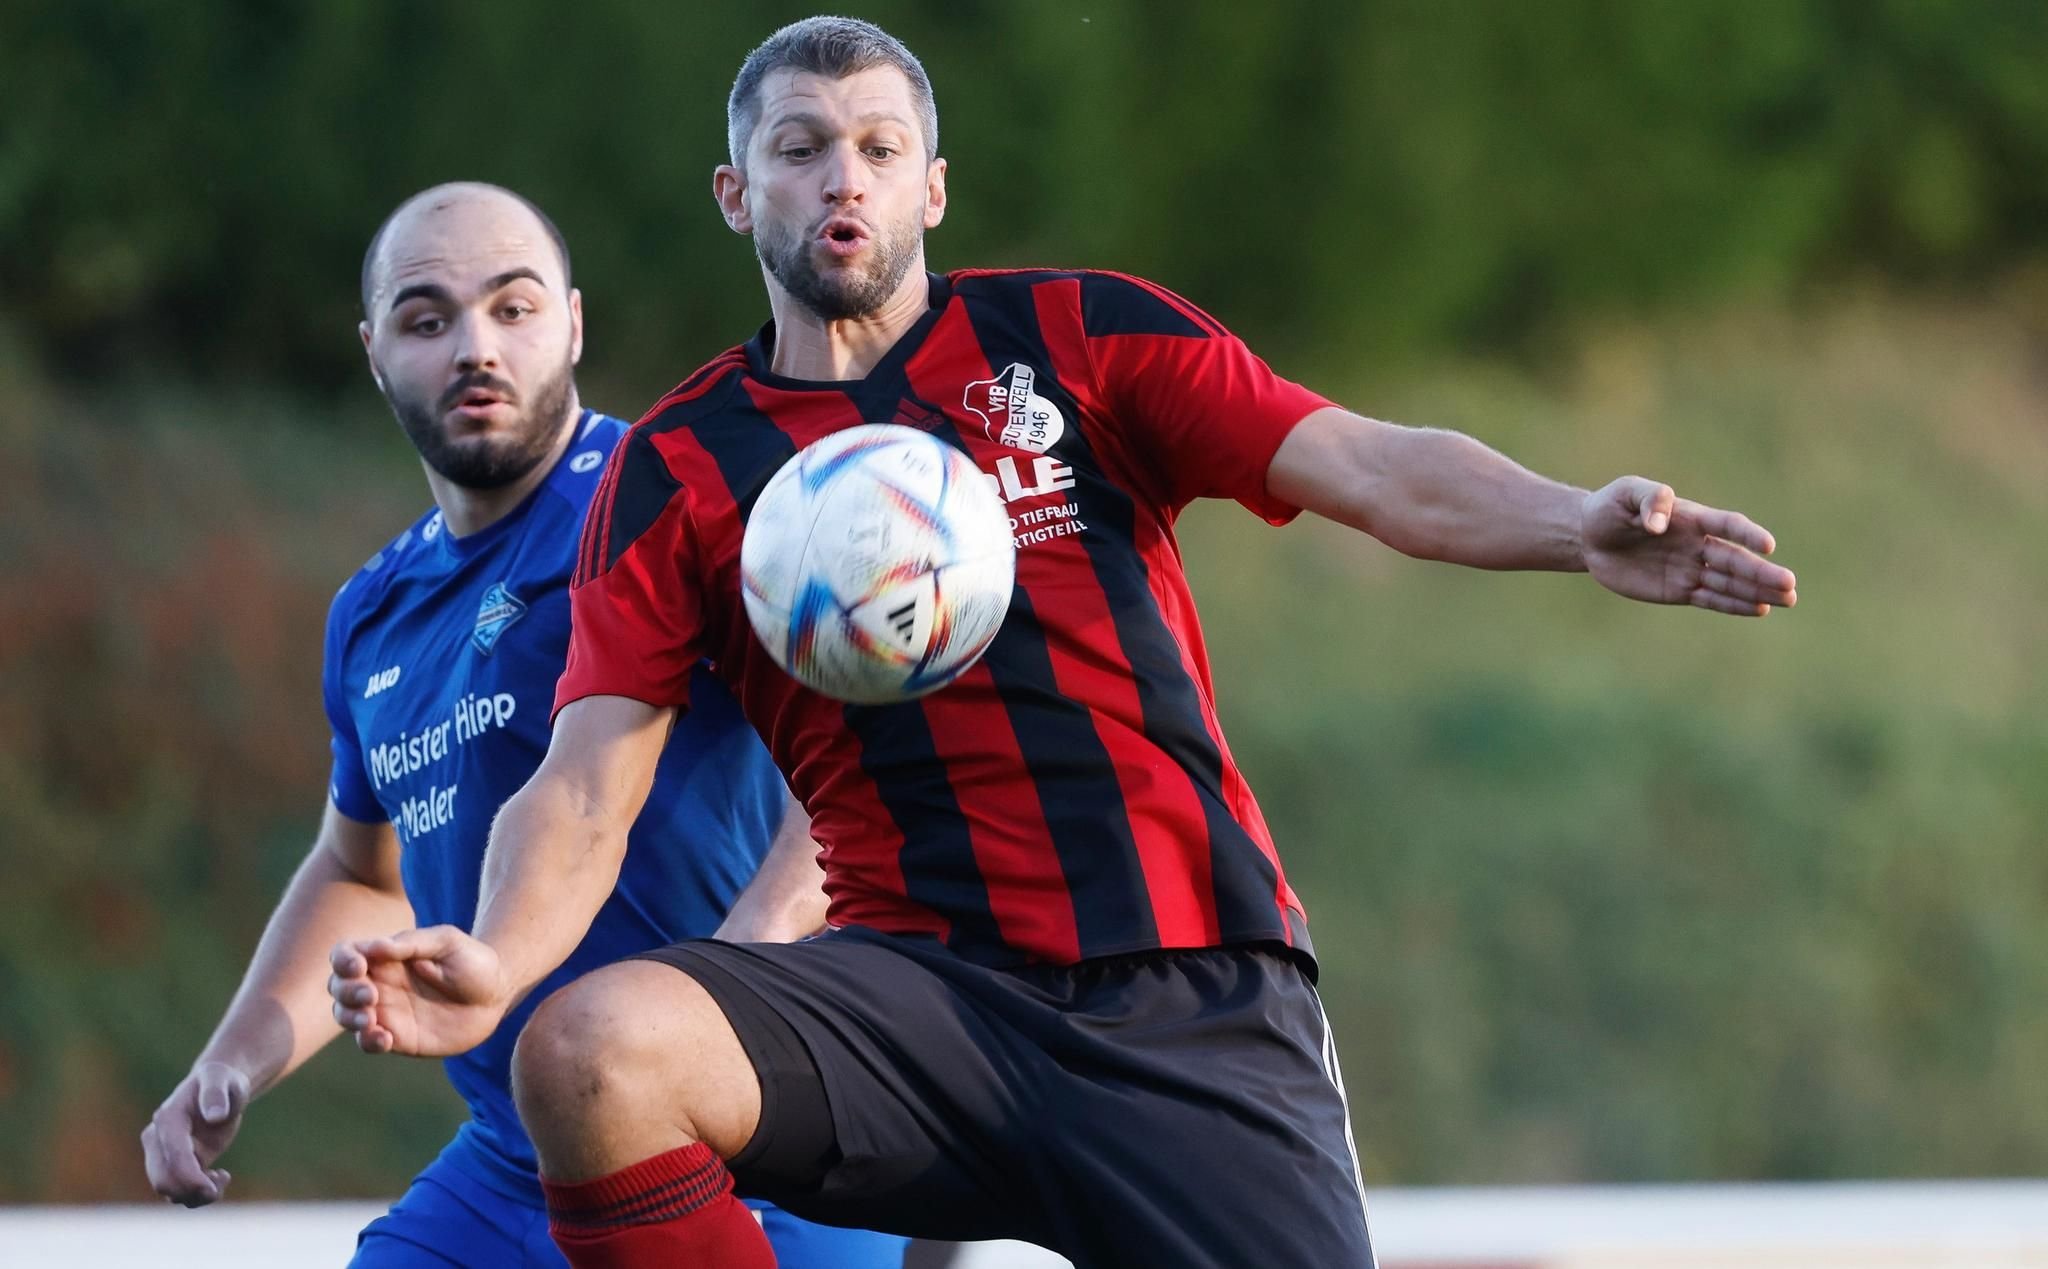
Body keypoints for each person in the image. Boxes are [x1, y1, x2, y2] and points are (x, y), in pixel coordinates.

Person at [327, 21, 1800, 1269]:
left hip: (1186, 996)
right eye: (798, 147)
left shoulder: (1077, 339)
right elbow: (585, 784)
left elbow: (1365, 463)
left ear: (934, 186)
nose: (842, 176)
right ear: (735, 191)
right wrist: (503, 955)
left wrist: (1572, 522)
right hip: (916, 1001)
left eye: (878, 146)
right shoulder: (680, 469)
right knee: (588, 1054)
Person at [142, 182, 909, 1269]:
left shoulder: (681, 498)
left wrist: (743, 978)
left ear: (573, 322)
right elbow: (363, 872)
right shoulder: (373, 610)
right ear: (373, 351)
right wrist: (232, 1062)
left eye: (512, 308)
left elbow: (860, 758)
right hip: (514, 1164)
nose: (473, 348)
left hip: (753, 1133)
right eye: (426, 319)